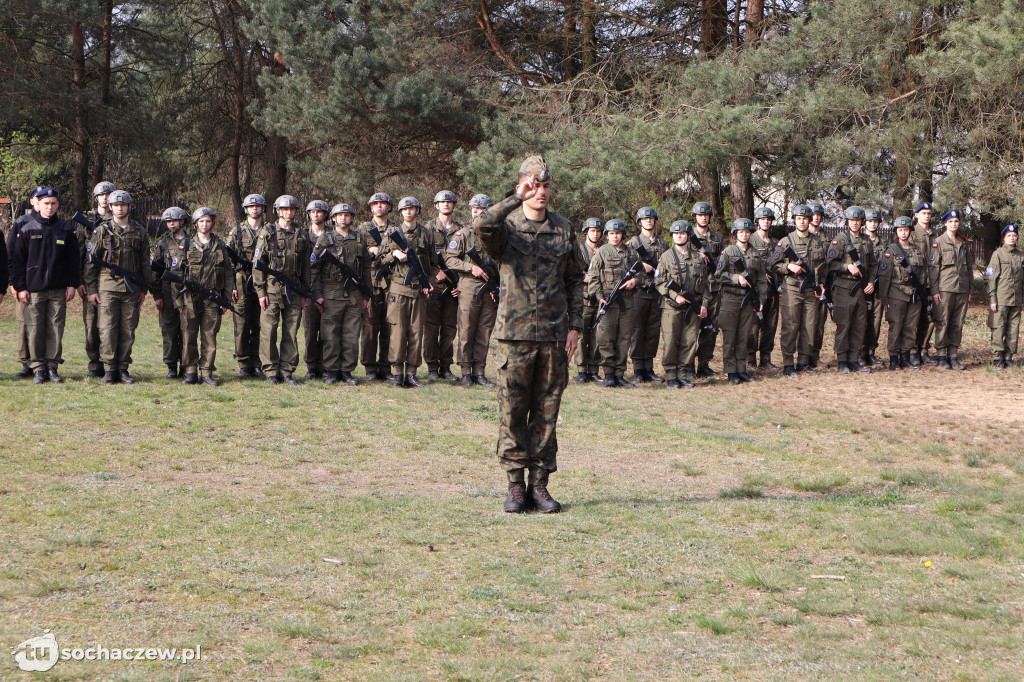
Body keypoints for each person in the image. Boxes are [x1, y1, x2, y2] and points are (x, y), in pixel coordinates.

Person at [474, 155, 583, 514]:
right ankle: (515, 486)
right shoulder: (507, 228)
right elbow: (482, 226)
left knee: (547, 414)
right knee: (512, 412)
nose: (541, 192)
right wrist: (513, 197)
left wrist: (575, 327)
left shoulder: (565, 228)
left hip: (553, 336)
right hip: (514, 337)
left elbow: (574, 281)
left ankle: (540, 486)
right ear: (523, 186)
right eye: (533, 185)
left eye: (546, 185)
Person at [8, 188, 80, 383]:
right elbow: (17, 261)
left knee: (56, 328)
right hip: (34, 289)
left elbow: (74, 260)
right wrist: (20, 286)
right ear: (38, 204)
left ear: (58, 205)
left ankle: (52, 366)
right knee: (34, 328)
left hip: (58, 289)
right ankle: (38, 367)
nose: (49, 207)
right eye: (46, 203)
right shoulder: (26, 229)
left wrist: (73, 284)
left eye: (53, 203)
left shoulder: (66, 229)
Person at [85, 190, 152, 384]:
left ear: (129, 207)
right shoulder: (102, 230)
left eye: (123, 205)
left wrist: (143, 289)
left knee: (128, 329)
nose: (120, 208)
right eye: (116, 205)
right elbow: (91, 262)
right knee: (106, 329)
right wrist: (92, 289)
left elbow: (144, 263)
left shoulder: (139, 231)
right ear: (111, 207)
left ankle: (123, 368)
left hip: (131, 289)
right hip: (107, 287)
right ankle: (109, 368)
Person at [377, 196, 441, 387]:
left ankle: (411, 373)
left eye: (412, 208)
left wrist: (428, 283)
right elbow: (379, 259)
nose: (408, 212)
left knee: (416, 332)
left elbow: (433, 265)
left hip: (418, 291)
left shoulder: (426, 234)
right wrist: (393, 254)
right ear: (400, 212)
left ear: (417, 211)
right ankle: (397, 373)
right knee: (397, 331)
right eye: (405, 209)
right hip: (398, 289)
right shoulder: (392, 233)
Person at [253, 194, 312, 384]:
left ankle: (287, 370)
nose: (289, 212)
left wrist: (305, 292)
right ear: (278, 211)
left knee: (291, 331)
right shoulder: (268, 232)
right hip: (271, 289)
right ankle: (271, 371)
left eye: (292, 209)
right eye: (285, 209)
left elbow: (306, 268)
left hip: (294, 289)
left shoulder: (301, 234)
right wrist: (260, 293)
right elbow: (258, 264)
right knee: (268, 330)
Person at [172, 207, 233, 386]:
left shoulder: (220, 245)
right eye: (201, 221)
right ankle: (190, 371)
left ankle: (206, 372)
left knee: (209, 335)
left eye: (208, 221)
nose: (205, 224)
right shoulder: (187, 244)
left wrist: (225, 300)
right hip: (190, 298)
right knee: (188, 335)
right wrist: (178, 299)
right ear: (196, 223)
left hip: (213, 298)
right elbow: (176, 274)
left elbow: (228, 274)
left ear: (212, 223)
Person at [310, 203, 369, 385]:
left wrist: (366, 294)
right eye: (339, 215)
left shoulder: (359, 238)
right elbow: (314, 268)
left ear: (352, 218)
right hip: (330, 293)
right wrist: (318, 294)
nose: (343, 218)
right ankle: (332, 371)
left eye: (347, 215)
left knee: (351, 335)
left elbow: (366, 268)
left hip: (353, 295)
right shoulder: (325, 239)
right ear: (333, 218)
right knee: (330, 334)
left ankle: (347, 371)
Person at [444, 193, 499, 387]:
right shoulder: (463, 234)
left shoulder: (496, 236)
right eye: (474, 209)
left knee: (485, 331)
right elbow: (450, 259)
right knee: (466, 329)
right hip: (469, 285)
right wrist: (471, 268)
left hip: (490, 288)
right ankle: (466, 371)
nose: (477, 212)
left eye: (482, 209)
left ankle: (479, 371)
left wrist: (497, 285)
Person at [589, 219, 645, 388]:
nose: (615, 237)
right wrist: (599, 297)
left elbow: (643, 275)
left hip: (627, 302)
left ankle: (620, 374)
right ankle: (608, 374)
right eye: (611, 234)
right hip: (608, 301)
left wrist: (634, 281)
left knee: (624, 338)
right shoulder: (601, 252)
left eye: (618, 233)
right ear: (607, 235)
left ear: (622, 235)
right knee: (606, 338)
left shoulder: (631, 253)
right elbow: (593, 278)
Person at [771, 204, 827, 376]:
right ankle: (788, 363)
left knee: (809, 326)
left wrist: (822, 284)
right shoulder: (786, 242)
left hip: (811, 291)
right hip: (792, 289)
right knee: (790, 326)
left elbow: (823, 266)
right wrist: (789, 266)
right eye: (799, 218)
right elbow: (773, 265)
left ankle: (803, 361)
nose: (802, 222)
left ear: (810, 220)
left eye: (805, 219)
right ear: (794, 220)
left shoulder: (818, 241)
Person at [655, 220, 709, 388]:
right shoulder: (666, 256)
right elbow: (659, 282)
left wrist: (704, 305)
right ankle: (671, 375)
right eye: (676, 233)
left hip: (693, 308)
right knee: (671, 341)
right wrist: (674, 295)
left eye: (683, 233)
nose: (679, 236)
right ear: (672, 236)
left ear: (688, 236)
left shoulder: (698, 258)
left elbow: (706, 285)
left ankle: (682, 374)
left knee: (689, 341)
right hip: (672, 307)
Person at [825, 206, 878, 373]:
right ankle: (842, 360)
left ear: (862, 222)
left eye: (858, 221)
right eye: (852, 220)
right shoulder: (840, 240)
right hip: (844, 288)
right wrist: (847, 266)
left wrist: (870, 282)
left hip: (861, 289)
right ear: (847, 221)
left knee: (859, 324)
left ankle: (854, 359)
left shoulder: (866, 240)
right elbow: (830, 263)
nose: (855, 223)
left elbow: (873, 265)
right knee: (844, 324)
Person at [715, 218, 766, 384]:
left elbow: (760, 279)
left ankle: (741, 369)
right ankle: (731, 371)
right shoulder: (729, 252)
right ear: (735, 234)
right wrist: (736, 278)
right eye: (741, 232)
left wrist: (761, 299)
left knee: (744, 335)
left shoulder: (755, 253)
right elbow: (719, 275)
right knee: (730, 335)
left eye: (747, 232)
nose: (744, 235)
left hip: (748, 299)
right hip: (731, 298)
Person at [226, 194, 267, 378]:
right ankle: (243, 364)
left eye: (258, 206)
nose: (255, 209)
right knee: (241, 325)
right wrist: (232, 286)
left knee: (259, 325)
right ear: (246, 209)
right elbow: (228, 261)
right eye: (251, 206)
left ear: (263, 209)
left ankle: (257, 363)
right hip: (241, 281)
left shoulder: (269, 230)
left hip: (261, 282)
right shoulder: (236, 232)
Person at [424, 190, 462, 381]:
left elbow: (465, 258)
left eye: (449, 202)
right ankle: (432, 368)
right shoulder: (427, 228)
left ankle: (446, 367)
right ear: (436, 206)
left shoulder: (461, 229)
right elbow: (421, 256)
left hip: (453, 286)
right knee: (431, 327)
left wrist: (459, 284)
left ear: (454, 205)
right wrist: (433, 272)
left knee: (449, 327)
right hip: (434, 285)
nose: (446, 204)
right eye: (442, 202)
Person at [358, 192, 397, 380]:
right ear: (371, 207)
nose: (379, 206)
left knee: (389, 326)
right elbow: (354, 252)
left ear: (389, 207)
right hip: (371, 282)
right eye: (376, 204)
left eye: (383, 203)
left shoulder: (396, 229)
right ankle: (370, 368)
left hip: (392, 282)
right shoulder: (362, 229)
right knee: (369, 326)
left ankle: (386, 366)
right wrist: (368, 250)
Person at [878, 216, 925, 371]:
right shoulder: (891, 251)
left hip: (914, 295)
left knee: (910, 327)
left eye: (906, 230)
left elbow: (922, 273)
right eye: (900, 230)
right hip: (896, 293)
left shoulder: (916, 250)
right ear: (896, 232)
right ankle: (893, 358)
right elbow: (884, 276)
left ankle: (905, 357)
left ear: (910, 231)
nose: (903, 233)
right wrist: (884, 297)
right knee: (896, 327)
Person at [929, 209, 974, 370]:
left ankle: (953, 355)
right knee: (943, 321)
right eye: (951, 221)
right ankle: (941, 355)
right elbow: (933, 269)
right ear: (945, 223)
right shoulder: (938, 242)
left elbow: (969, 269)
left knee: (958, 323)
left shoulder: (963, 244)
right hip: (945, 289)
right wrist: (934, 290)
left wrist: (970, 290)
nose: (954, 224)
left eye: (956, 221)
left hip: (961, 289)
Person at [627, 206, 667, 382]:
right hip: (639, 291)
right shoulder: (633, 243)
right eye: (645, 219)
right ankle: (637, 369)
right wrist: (642, 266)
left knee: (652, 331)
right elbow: (625, 266)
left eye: (651, 218)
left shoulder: (663, 244)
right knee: (637, 330)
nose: (648, 221)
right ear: (639, 222)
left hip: (656, 292)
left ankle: (649, 368)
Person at [80, 181, 115, 377]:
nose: (105, 197)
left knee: (110, 324)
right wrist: (78, 281)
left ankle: (111, 362)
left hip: (110, 278)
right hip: (89, 278)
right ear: (96, 197)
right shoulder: (87, 219)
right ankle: (94, 364)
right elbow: (79, 252)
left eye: (108, 194)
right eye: (101, 194)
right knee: (91, 324)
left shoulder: (118, 219)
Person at [151, 207, 190, 379]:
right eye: (168, 221)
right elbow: (155, 272)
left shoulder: (192, 242)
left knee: (187, 330)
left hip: (187, 292)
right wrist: (157, 296)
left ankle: (187, 364)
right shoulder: (163, 244)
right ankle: (171, 366)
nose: (172, 223)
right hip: (167, 293)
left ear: (183, 221)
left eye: (174, 220)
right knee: (169, 330)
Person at [690, 202, 724, 377]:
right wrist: (698, 256)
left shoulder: (717, 238)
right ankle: (687, 365)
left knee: (711, 327)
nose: (703, 217)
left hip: (713, 288)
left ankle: (703, 364)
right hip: (695, 288)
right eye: (700, 215)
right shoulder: (687, 237)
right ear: (694, 217)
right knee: (691, 328)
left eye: (706, 215)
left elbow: (723, 261)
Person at [986, 224, 1024, 368]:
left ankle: (1008, 357)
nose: (1012, 238)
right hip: (1001, 299)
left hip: (1016, 299)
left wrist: (1022, 299)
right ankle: (998, 358)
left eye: (1014, 235)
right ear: (1003, 238)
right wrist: (992, 299)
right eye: (1009, 235)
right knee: (999, 328)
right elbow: (990, 278)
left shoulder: (1021, 256)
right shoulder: (998, 254)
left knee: (1013, 330)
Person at [748, 206, 780, 369]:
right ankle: (750, 358)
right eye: (762, 219)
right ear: (757, 222)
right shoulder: (750, 240)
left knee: (771, 324)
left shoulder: (775, 243)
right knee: (754, 325)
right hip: (756, 289)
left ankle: (766, 358)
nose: (766, 222)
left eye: (768, 219)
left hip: (773, 289)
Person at [302, 200, 330, 380]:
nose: (316, 214)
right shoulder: (303, 235)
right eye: (313, 212)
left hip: (329, 288)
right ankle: (311, 366)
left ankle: (325, 365)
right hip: (308, 289)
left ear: (325, 215)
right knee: (310, 330)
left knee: (328, 330)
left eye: (320, 212)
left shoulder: (333, 235)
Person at [575, 217, 603, 383]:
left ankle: (593, 369)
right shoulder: (578, 251)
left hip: (599, 299)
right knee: (581, 336)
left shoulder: (604, 251)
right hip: (583, 298)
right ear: (586, 232)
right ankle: (581, 370)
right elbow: (570, 271)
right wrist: (583, 277)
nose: (595, 234)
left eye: (598, 231)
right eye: (593, 231)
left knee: (597, 336)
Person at [911, 202, 938, 365]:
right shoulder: (911, 233)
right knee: (914, 319)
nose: (926, 216)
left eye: (929, 213)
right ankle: (913, 351)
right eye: (923, 213)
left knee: (930, 319)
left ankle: (924, 349)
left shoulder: (935, 235)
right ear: (916, 215)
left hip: (931, 284)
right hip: (916, 283)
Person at [862, 208, 887, 366]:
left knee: (875, 321)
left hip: (877, 288)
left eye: (875, 221)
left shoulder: (883, 244)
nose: (872, 224)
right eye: (870, 221)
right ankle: (859, 352)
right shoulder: (861, 241)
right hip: (861, 287)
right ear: (865, 223)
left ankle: (871, 352)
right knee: (860, 320)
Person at [807, 201, 828, 368]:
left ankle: (815, 355)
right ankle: (803, 356)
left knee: (820, 322)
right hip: (806, 286)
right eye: (814, 215)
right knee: (805, 323)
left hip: (823, 286)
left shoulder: (826, 238)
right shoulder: (802, 236)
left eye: (819, 215)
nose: (816, 218)